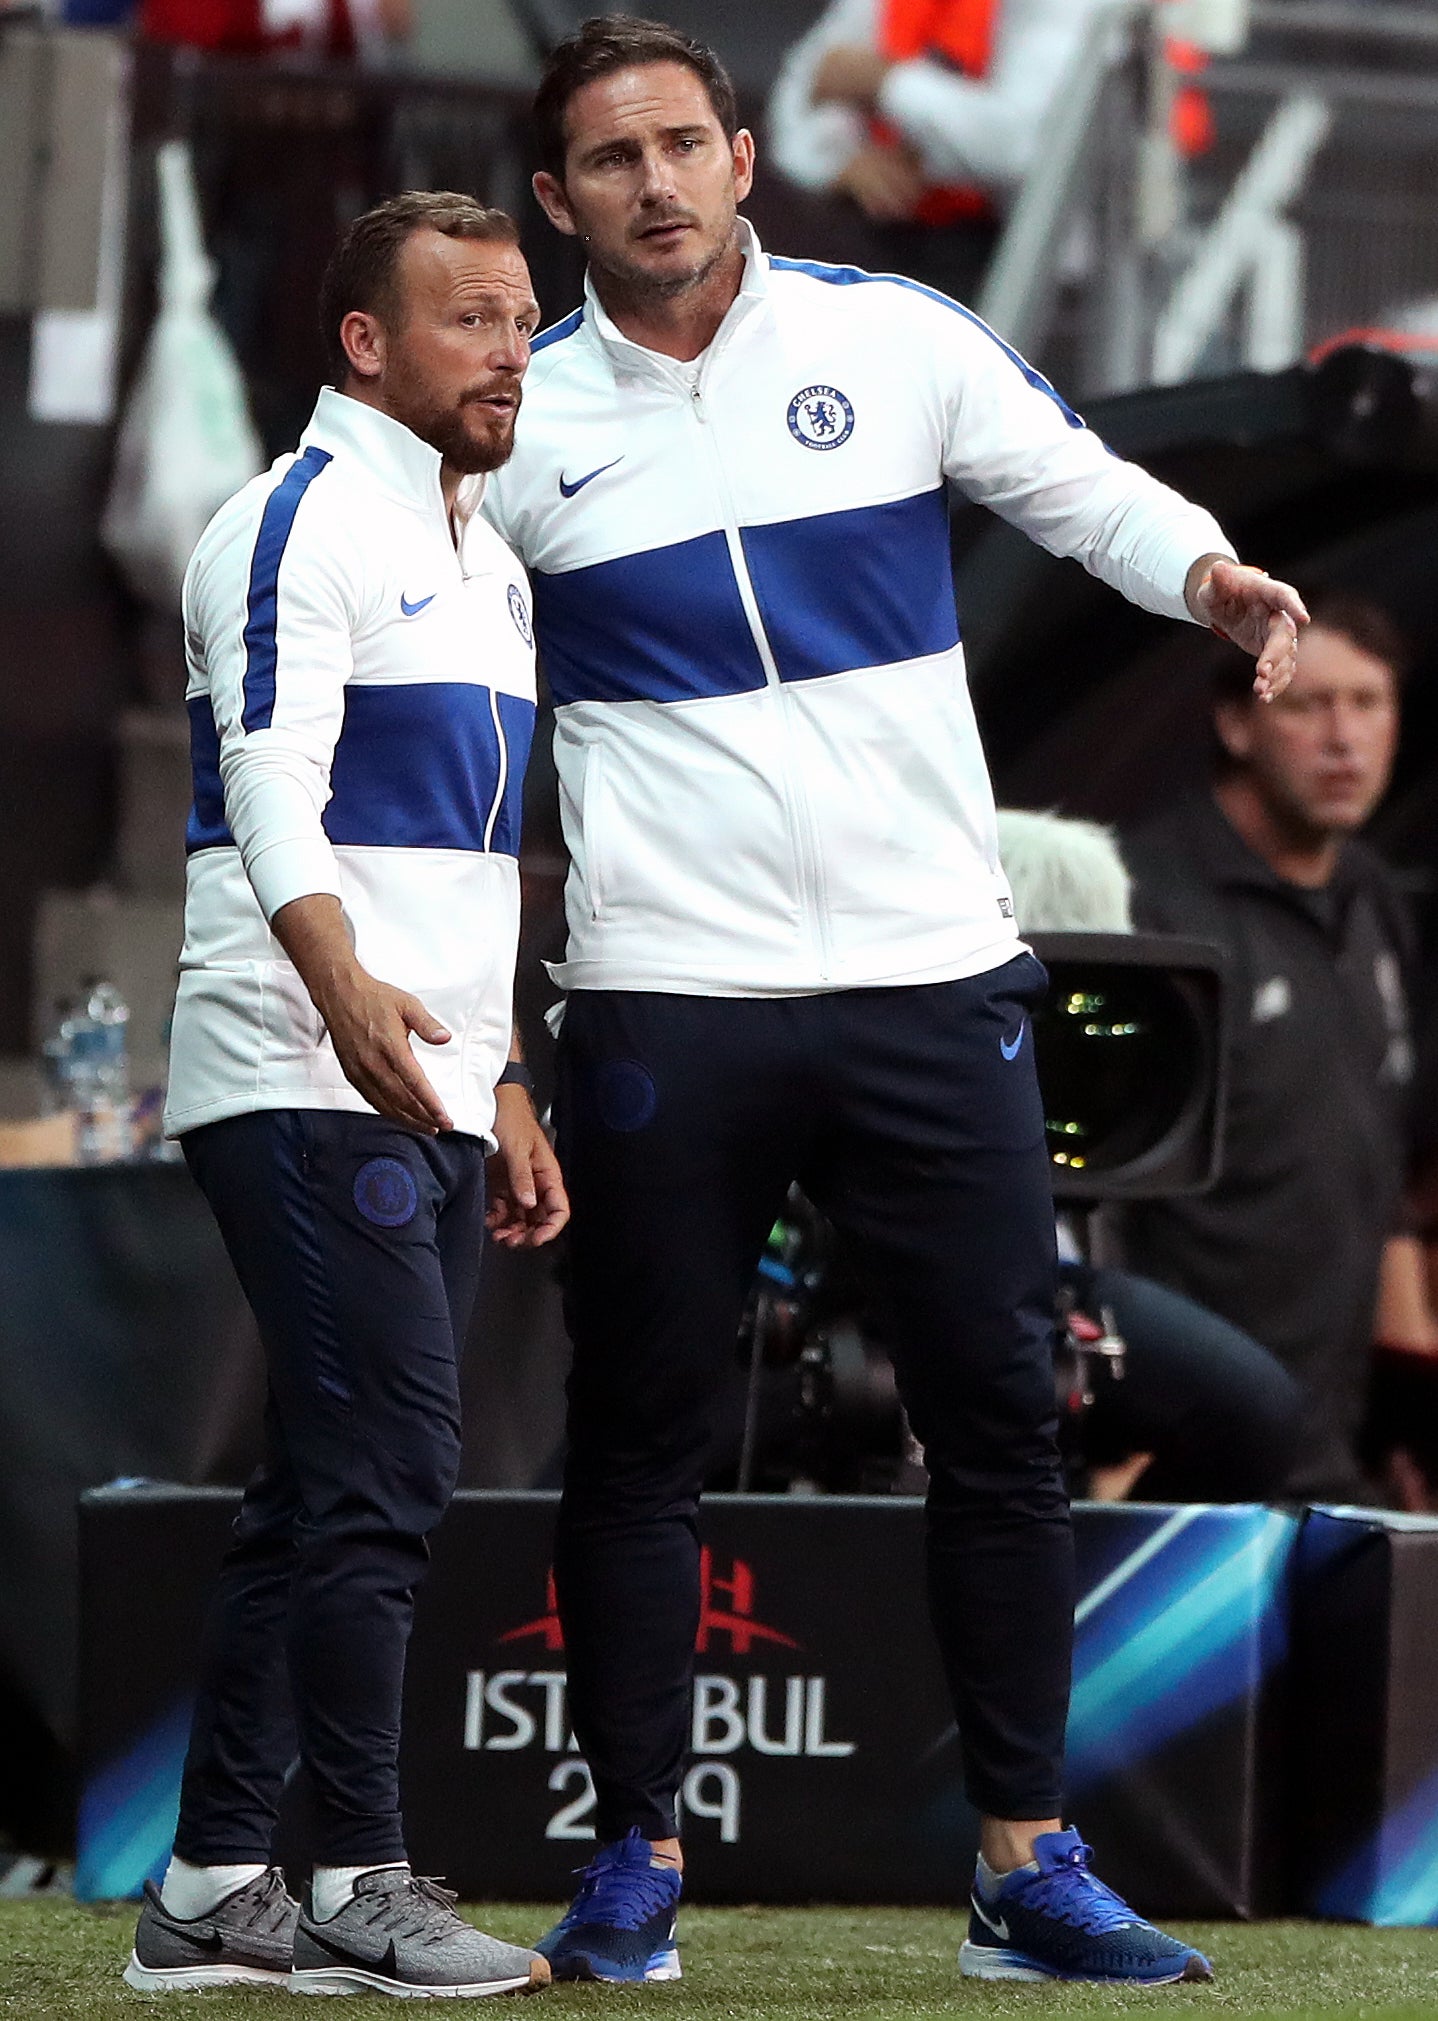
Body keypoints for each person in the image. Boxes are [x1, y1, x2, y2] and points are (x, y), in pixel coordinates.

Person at [485, 13, 1303, 1988]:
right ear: (553, 200)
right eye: (613, 159)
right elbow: (422, 702)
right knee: (637, 1438)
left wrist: (1207, 577)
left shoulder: (896, 336)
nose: (657, 182)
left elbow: (1076, 483)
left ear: (747, 159)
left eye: (685, 143)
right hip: (666, 1000)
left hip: (932, 987)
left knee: (1003, 1418)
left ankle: (1024, 1861)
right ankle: (633, 1860)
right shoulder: (507, 426)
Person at [125, 191, 567, 1998]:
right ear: (366, 344)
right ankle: (356, 1881)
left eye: (524, 323)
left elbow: (481, 859)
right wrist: (342, 992)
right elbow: (269, 778)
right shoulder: (287, 521)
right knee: (387, 1464)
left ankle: (214, 1885)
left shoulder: (493, 556)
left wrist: (508, 1069)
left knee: (324, 1478)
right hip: (304, 1058)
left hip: (430, 1070)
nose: (511, 354)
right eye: (472, 321)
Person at [1123, 593, 1416, 1503]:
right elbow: (1084, 1192)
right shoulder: (1148, 901)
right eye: (1308, 704)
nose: (1345, 739)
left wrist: (1408, 1427)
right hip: (1177, 1467)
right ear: (1238, 723)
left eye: (1369, 703)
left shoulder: (1375, 897)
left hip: (1335, 1462)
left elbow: (1383, 1170)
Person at [766, 0, 1108, 300]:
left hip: (1043, 281)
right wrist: (837, 160)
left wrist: (888, 83)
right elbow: (809, 82)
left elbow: (1022, 145)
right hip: (902, 237)